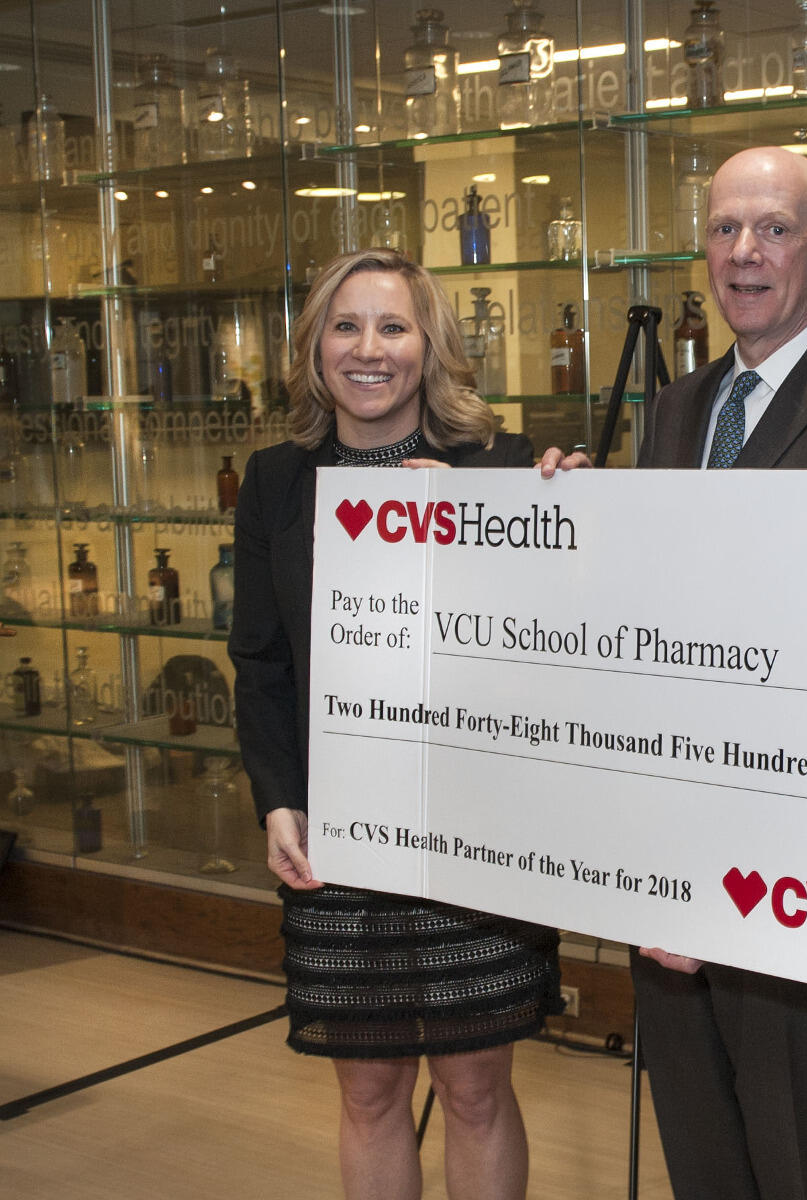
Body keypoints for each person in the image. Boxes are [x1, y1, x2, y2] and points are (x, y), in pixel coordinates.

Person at [542, 146, 807, 1200]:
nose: (745, 253)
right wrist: (576, 514)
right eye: (724, 230)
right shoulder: (681, 410)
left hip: (803, 891)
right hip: (672, 881)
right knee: (707, 1166)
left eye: (772, 228)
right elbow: (649, 632)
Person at [231, 247, 561, 1200]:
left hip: (475, 832)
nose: (367, 349)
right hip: (340, 833)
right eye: (345, 326)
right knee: (370, 1093)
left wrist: (556, 513)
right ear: (315, 348)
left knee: (475, 1090)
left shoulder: (500, 469)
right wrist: (277, 803)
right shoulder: (277, 483)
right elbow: (262, 661)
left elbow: (556, 644)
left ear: (431, 347)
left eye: (392, 326)